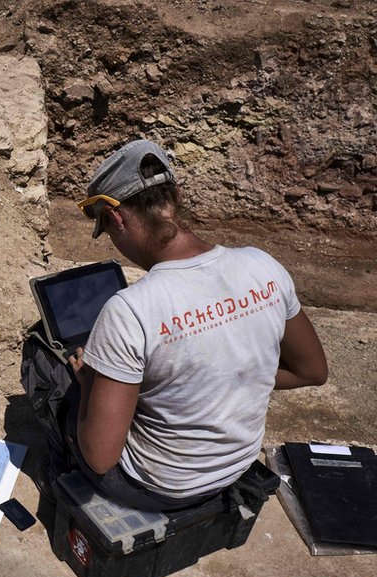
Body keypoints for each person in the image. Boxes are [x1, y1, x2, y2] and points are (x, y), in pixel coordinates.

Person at [44, 139, 328, 511]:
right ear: (176, 196)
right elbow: (313, 371)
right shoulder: (263, 266)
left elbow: (100, 458)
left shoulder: (130, 309)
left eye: (110, 232)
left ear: (116, 219)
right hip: (237, 466)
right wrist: (227, 376)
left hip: (160, 487)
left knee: (51, 366)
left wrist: (87, 384)